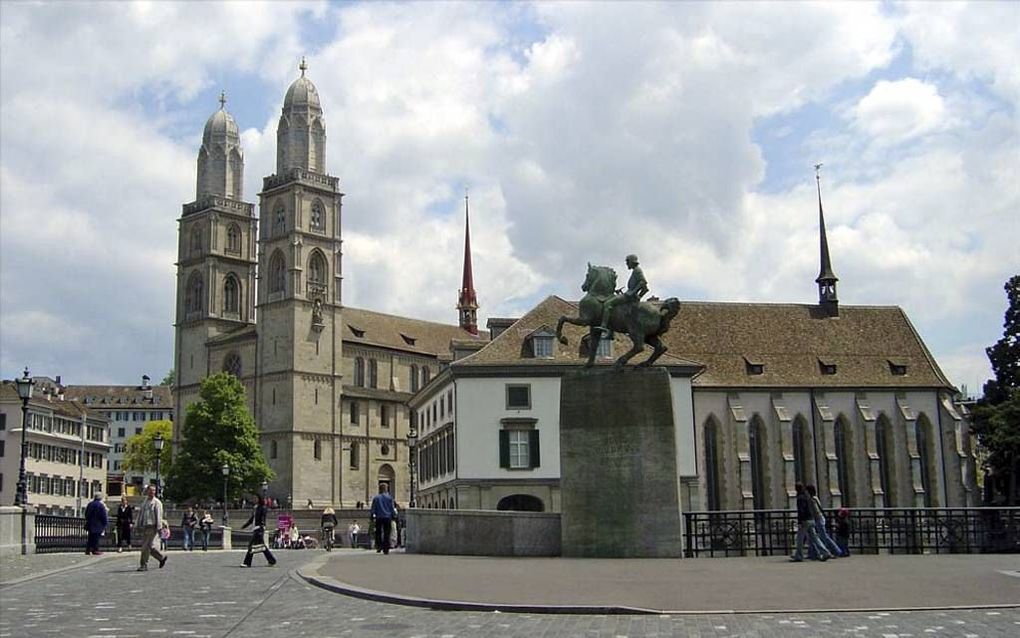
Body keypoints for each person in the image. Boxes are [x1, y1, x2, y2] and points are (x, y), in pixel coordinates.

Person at [598, 254, 648, 337]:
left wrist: (633, 293)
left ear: (632, 262)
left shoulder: (637, 270)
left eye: (627, 262)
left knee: (608, 303)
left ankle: (604, 326)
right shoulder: (635, 270)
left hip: (629, 295)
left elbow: (643, 282)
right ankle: (611, 331)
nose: (627, 264)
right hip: (628, 294)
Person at [791, 482, 829, 562]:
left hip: (805, 520)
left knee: (800, 539)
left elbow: (801, 510)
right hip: (811, 519)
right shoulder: (807, 496)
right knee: (815, 538)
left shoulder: (800, 498)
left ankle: (799, 556)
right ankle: (825, 552)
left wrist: (800, 521)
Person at [135, 484, 168, 571]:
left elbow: (159, 516)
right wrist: (137, 525)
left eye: (153, 490)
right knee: (150, 547)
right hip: (145, 527)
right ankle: (161, 558)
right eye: (150, 490)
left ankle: (144, 565)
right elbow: (140, 514)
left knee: (145, 547)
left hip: (153, 527)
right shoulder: (145, 502)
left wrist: (159, 528)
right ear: (147, 491)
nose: (152, 492)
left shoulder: (157, 503)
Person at [806, 484, 843, 558]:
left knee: (823, 537)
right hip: (819, 519)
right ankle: (814, 553)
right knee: (815, 536)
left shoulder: (812, 499)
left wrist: (813, 518)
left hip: (818, 520)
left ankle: (836, 551)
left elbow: (816, 511)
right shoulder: (815, 498)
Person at [240, 495, 277, 567]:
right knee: (262, 546)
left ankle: (247, 563)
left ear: (259, 499)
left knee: (251, 545)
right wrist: (244, 526)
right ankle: (272, 560)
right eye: (253, 498)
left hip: (259, 528)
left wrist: (262, 526)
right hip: (256, 528)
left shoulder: (262, 508)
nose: (253, 499)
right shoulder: (256, 508)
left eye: (255, 498)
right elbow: (252, 519)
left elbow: (263, 517)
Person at [370, 484, 397, 555]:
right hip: (387, 517)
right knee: (387, 533)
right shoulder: (389, 498)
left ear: (380, 489)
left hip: (379, 517)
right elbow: (392, 508)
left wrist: (372, 516)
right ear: (386, 489)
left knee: (378, 532)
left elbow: (373, 508)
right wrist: (394, 515)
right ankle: (386, 548)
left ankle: (379, 546)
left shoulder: (376, 498)